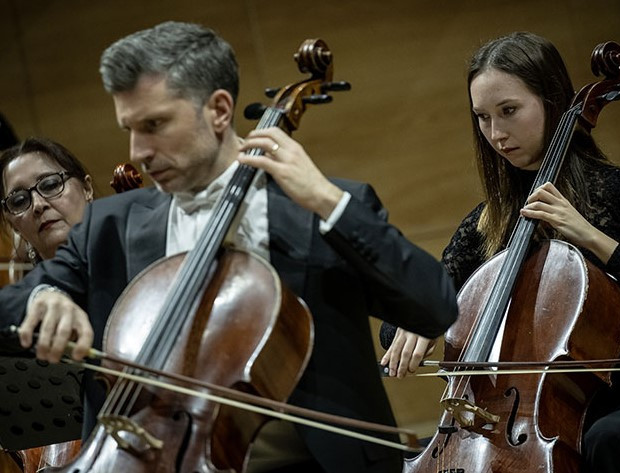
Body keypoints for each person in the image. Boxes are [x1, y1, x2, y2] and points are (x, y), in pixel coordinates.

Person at [0, 21, 458, 473]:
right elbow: (8, 307)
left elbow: (433, 308)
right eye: (129, 129)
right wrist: (43, 297)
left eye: (155, 124)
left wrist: (327, 202)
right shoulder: (110, 228)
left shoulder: (322, 208)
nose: (138, 151)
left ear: (219, 110)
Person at [381, 32, 620, 473]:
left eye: (509, 111)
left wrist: (588, 234)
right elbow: (396, 330)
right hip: (520, 420)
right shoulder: (486, 224)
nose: (496, 134)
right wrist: (417, 320)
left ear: (552, 101)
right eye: (482, 117)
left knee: (609, 440)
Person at [0, 137, 93, 470]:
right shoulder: (18, 307)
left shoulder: (133, 270)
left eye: (51, 184)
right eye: (20, 200)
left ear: (87, 189)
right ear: (13, 222)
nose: (38, 204)